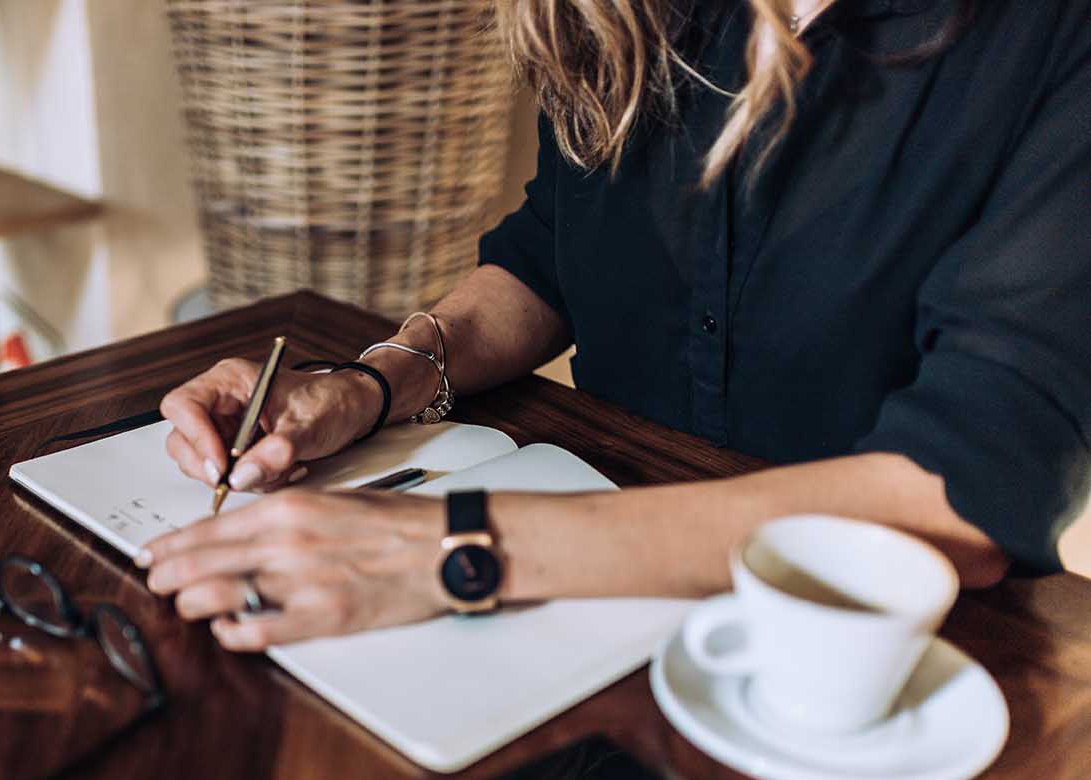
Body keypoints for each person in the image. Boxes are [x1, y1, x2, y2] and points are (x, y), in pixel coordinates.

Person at [141, 0, 1091, 652]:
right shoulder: (627, 15)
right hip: (585, 612)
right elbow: (549, 253)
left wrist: (452, 549)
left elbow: (969, 488)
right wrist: (370, 383)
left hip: (872, 658)